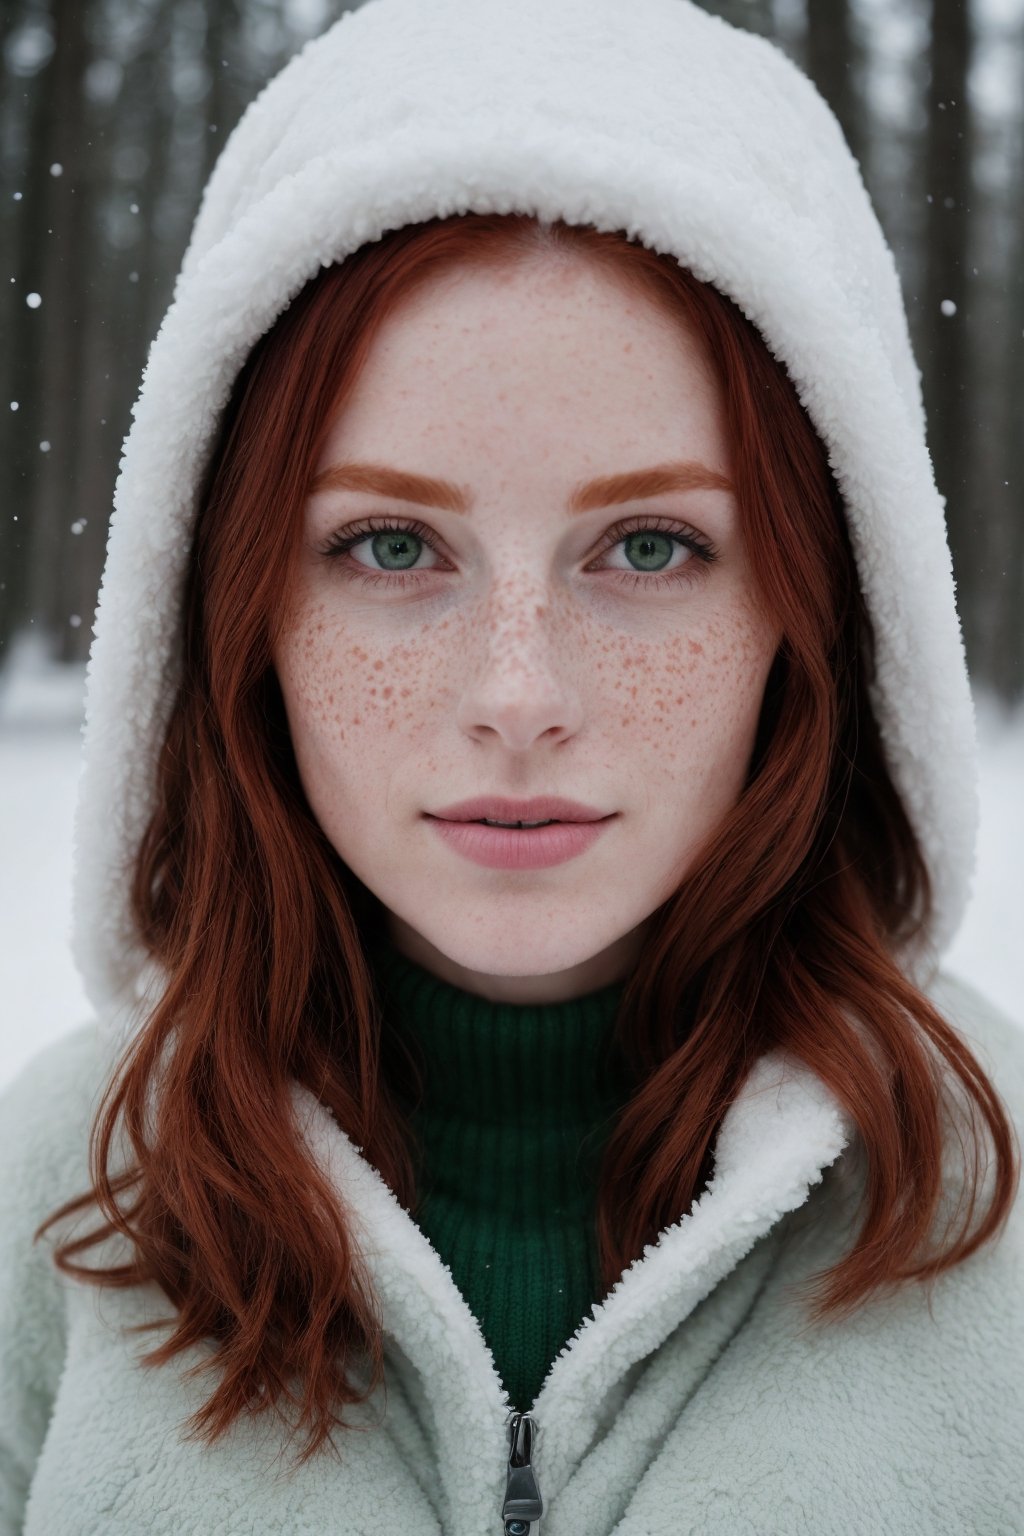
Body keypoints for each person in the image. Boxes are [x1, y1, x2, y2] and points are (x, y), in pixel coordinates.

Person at [1, 0, 1022, 1530]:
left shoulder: (994, 1201)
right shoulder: (62, 1202)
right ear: (239, 611)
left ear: (813, 611)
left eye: (652, 545)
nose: (519, 694)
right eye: (392, 545)